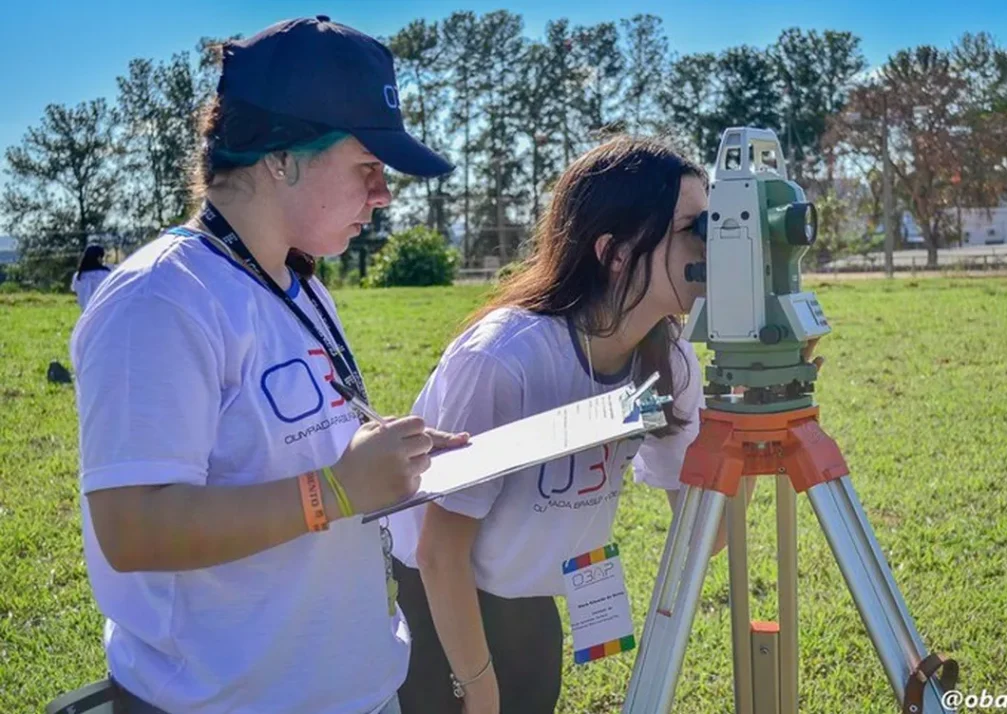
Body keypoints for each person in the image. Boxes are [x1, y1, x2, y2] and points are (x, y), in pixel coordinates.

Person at [66, 16, 466, 714]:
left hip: (358, 691)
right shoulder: (159, 298)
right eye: (368, 168)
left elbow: (289, 456)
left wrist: (387, 459)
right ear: (282, 157)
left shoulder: (301, 286)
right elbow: (132, 530)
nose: (384, 195)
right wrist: (337, 491)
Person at [389, 136, 761, 714]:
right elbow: (440, 552)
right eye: (695, 228)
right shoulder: (503, 359)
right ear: (613, 252)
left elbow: (705, 538)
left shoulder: (670, 362)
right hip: (436, 604)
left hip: (531, 602)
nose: (714, 246)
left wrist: (749, 415)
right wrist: (480, 690)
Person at [70, 244, 113, 311]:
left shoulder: (78, 276)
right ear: (99, 258)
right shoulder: (106, 274)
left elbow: (75, 291)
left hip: (85, 315)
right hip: (103, 312)